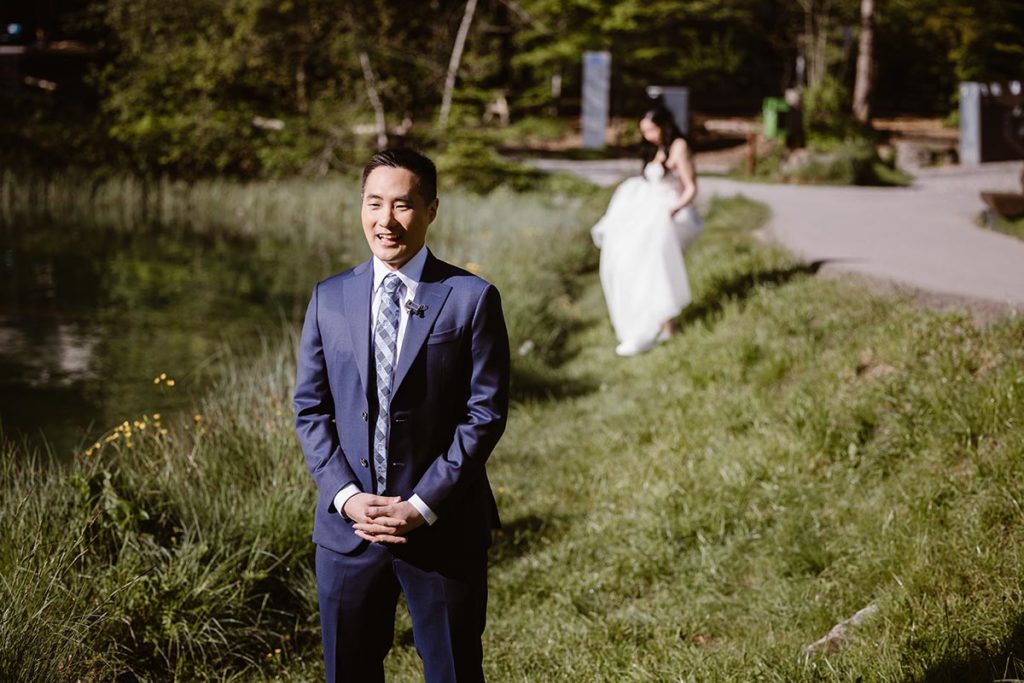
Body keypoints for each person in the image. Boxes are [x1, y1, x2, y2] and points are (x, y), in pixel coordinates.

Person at [293, 148, 511, 683]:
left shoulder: (471, 298)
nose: (385, 220)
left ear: (432, 209)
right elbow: (310, 408)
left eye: (403, 205)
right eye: (374, 203)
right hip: (349, 531)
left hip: (443, 527)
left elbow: (484, 414)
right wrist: (346, 497)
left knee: (453, 672)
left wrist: (421, 504)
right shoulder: (328, 297)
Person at [591, 103, 703, 356]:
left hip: (668, 215)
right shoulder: (657, 149)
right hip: (649, 212)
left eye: (651, 129)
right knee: (639, 264)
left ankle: (665, 324)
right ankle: (657, 322)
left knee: (657, 266)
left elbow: (691, 189)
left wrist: (671, 211)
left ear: (664, 125)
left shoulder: (679, 147)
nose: (647, 136)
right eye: (644, 131)